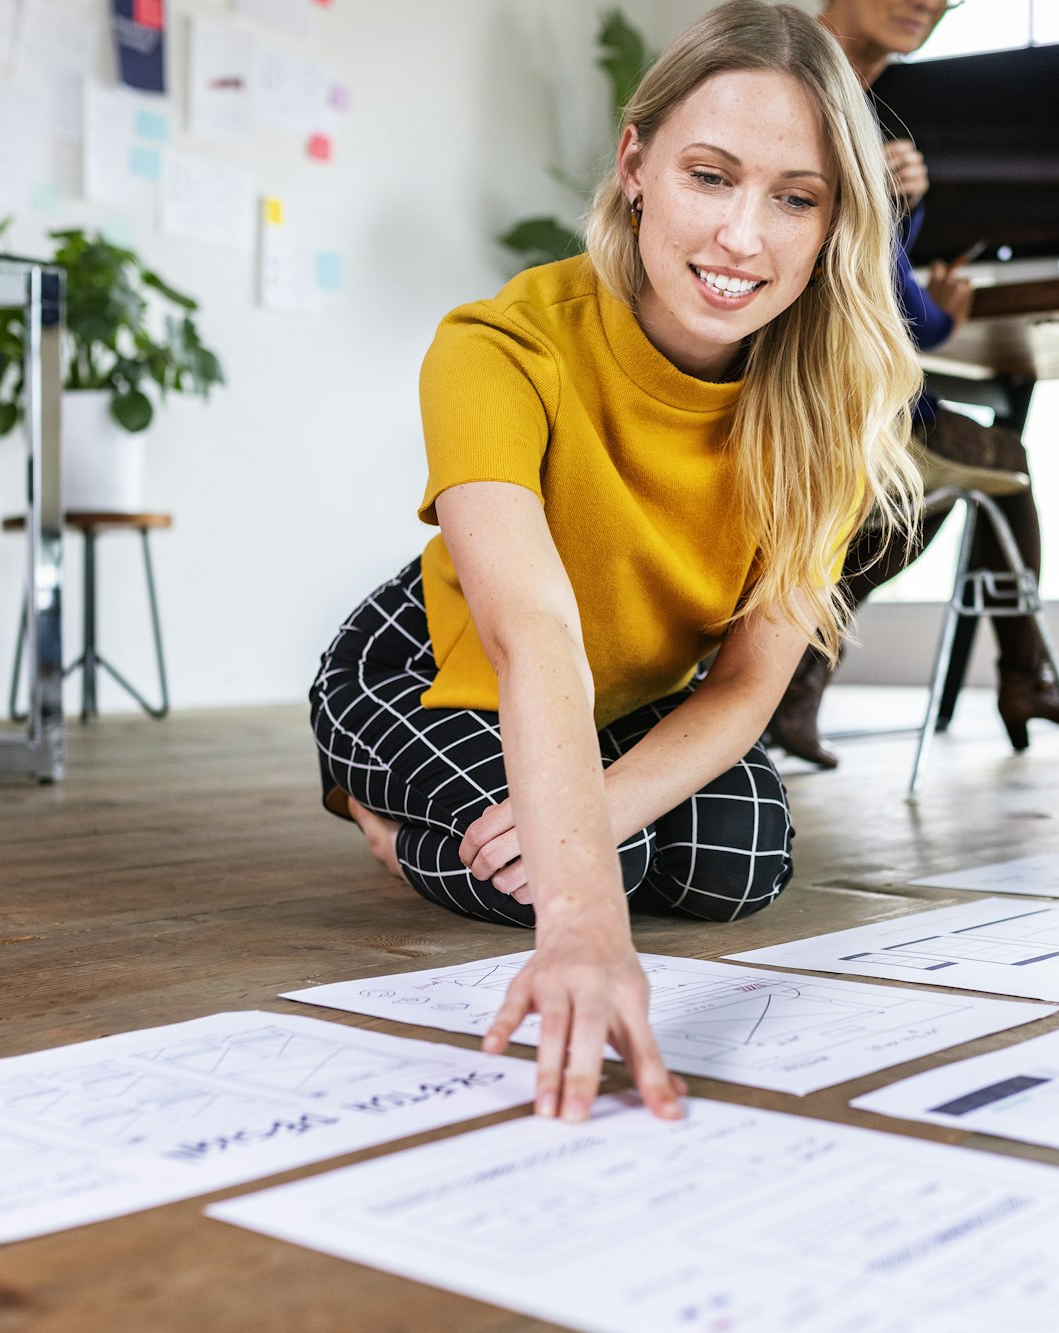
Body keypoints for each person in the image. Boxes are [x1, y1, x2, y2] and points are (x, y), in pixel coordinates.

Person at [309, 1, 922, 1124]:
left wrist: (593, 807)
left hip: (623, 695)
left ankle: (553, 824)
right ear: (635, 164)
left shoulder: (826, 412)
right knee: (569, 877)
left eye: (795, 198)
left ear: (834, 224)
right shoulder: (496, 345)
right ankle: (372, 803)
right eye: (709, 176)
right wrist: (585, 925)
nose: (743, 237)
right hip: (436, 660)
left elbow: (746, 686)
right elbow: (529, 631)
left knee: (741, 859)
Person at [767, 0, 1059, 767]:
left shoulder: (856, 96)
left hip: (846, 387)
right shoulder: (795, 80)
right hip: (823, 393)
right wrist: (942, 320)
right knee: (997, 465)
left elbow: (864, 274)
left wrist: (899, 213)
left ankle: (798, 679)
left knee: (949, 477)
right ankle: (1023, 680)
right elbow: (855, 294)